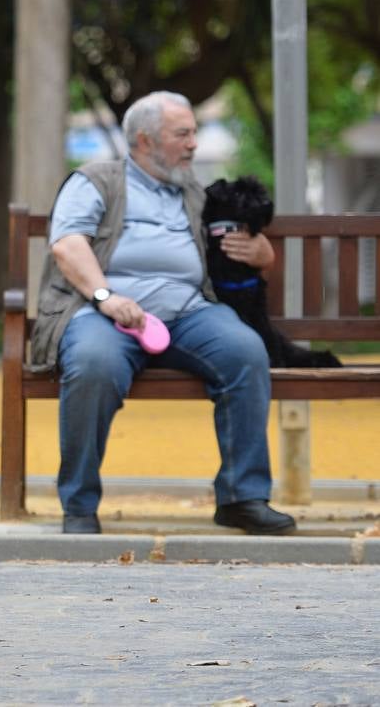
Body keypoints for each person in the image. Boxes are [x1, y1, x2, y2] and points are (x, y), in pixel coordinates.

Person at [31, 91, 296, 536]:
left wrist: (263, 254)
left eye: (195, 132)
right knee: (94, 364)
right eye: (183, 134)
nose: (194, 143)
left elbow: (241, 240)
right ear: (145, 140)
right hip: (102, 313)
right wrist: (106, 296)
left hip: (188, 314)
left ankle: (241, 497)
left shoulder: (193, 190)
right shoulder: (97, 181)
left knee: (245, 351)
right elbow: (67, 244)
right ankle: (78, 505)